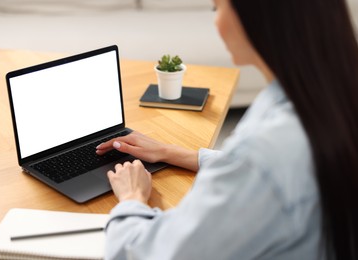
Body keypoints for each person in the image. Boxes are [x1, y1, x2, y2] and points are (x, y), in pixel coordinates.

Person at [96, 0, 358, 259]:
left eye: (217, 7)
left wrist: (131, 197)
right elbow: (268, 172)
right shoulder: (330, 96)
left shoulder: (263, 152)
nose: (216, 20)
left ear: (255, 17)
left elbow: (153, 254)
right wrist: (170, 152)